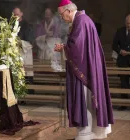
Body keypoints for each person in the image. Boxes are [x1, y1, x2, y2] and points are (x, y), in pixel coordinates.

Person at [54, 0, 114, 139]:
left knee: (85, 101)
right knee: (89, 101)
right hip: (88, 65)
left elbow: (76, 48)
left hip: (84, 68)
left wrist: (63, 48)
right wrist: (65, 47)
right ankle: (89, 131)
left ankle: (86, 133)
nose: (61, 18)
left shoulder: (81, 21)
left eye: (61, 14)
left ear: (68, 11)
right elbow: (78, 45)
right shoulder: (83, 20)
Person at [12, 7, 34, 94]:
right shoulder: (11, 25)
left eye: (17, 14)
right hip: (14, 54)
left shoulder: (27, 25)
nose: (16, 16)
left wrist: (19, 42)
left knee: (25, 73)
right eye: (14, 14)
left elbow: (31, 42)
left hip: (25, 53)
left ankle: (25, 93)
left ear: (21, 14)